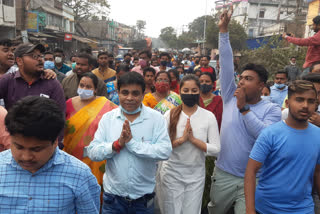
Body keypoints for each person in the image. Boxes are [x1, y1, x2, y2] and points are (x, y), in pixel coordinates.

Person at [208, 7, 281, 214]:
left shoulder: (272, 109)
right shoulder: (230, 95)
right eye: (241, 78)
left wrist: (245, 110)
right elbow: (226, 63)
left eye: (248, 79)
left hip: (254, 178)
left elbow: (266, 137)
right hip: (223, 174)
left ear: (261, 85)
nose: (241, 82)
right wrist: (223, 31)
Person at [86, 72, 172, 213]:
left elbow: (165, 151)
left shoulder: (156, 119)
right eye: (125, 93)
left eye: (135, 93)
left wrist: (132, 144)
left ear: (143, 94)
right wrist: (115, 145)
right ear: (118, 93)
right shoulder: (108, 119)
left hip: (143, 200)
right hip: (113, 199)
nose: (130, 98)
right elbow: (93, 152)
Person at [0, 96, 100, 213]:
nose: (26, 157)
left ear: (55, 142)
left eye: (36, 149)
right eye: (19, 147)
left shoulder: (80, 176)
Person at [244, 80, 320, 214]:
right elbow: (251, 172)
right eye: (299, 100)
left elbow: (318, 172)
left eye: (311, 101)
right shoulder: (270, 134)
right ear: (287, 103)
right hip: (266, 209)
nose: (305, 105)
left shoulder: (318, 135)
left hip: (303, 209)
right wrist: (250, 210)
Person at [159, 74, 220, 214]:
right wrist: (181, 140)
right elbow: (162, 147)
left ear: (199, 91)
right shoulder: (169, 115)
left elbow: (216, 149)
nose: (190, 94)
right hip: (171, 174)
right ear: (179, 92)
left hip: (196, 175)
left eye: (194, 91)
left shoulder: (208, 116)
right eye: (186, 91)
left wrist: (193, 140)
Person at [64, 72, 117, 185]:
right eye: (81, 85)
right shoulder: (69, 103)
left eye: (88, 87)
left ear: (95, 90)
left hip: (96, 158)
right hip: (72, 155)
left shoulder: (106, 105)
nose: (84, 89)